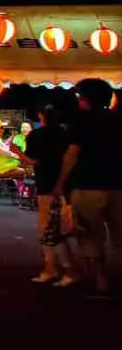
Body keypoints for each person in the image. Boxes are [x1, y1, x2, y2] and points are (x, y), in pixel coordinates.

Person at [53, 78, 122, 293]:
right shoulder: (117, 120)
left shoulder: (81, 121)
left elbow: (72, 154)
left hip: (87, 184)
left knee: (90, 235)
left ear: (84, 98)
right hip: (118, 185)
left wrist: (60, 183)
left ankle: (101, 279)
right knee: (120, 235)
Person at [13, 105, 76, 285]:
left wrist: (17, 151)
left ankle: (62, 269)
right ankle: (56, 269)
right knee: (57, 230)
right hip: (65, 186)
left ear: (41, 116)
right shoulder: (64, 134)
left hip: (47, 186)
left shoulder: (37, 136)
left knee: (48, 230)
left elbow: (32, 160)